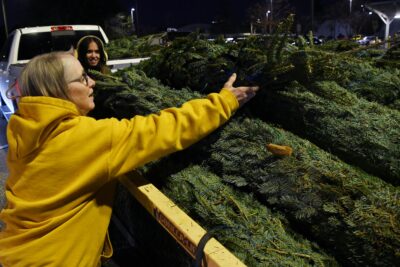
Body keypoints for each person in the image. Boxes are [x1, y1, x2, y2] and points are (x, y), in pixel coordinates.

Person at [0, 51, 258, 266]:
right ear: (58, 91)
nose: (92, 83)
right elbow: (166, 128)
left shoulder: (25, 131)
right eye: (82, 78)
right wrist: (225, 102)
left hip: (16, 254)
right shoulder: (87, 139)